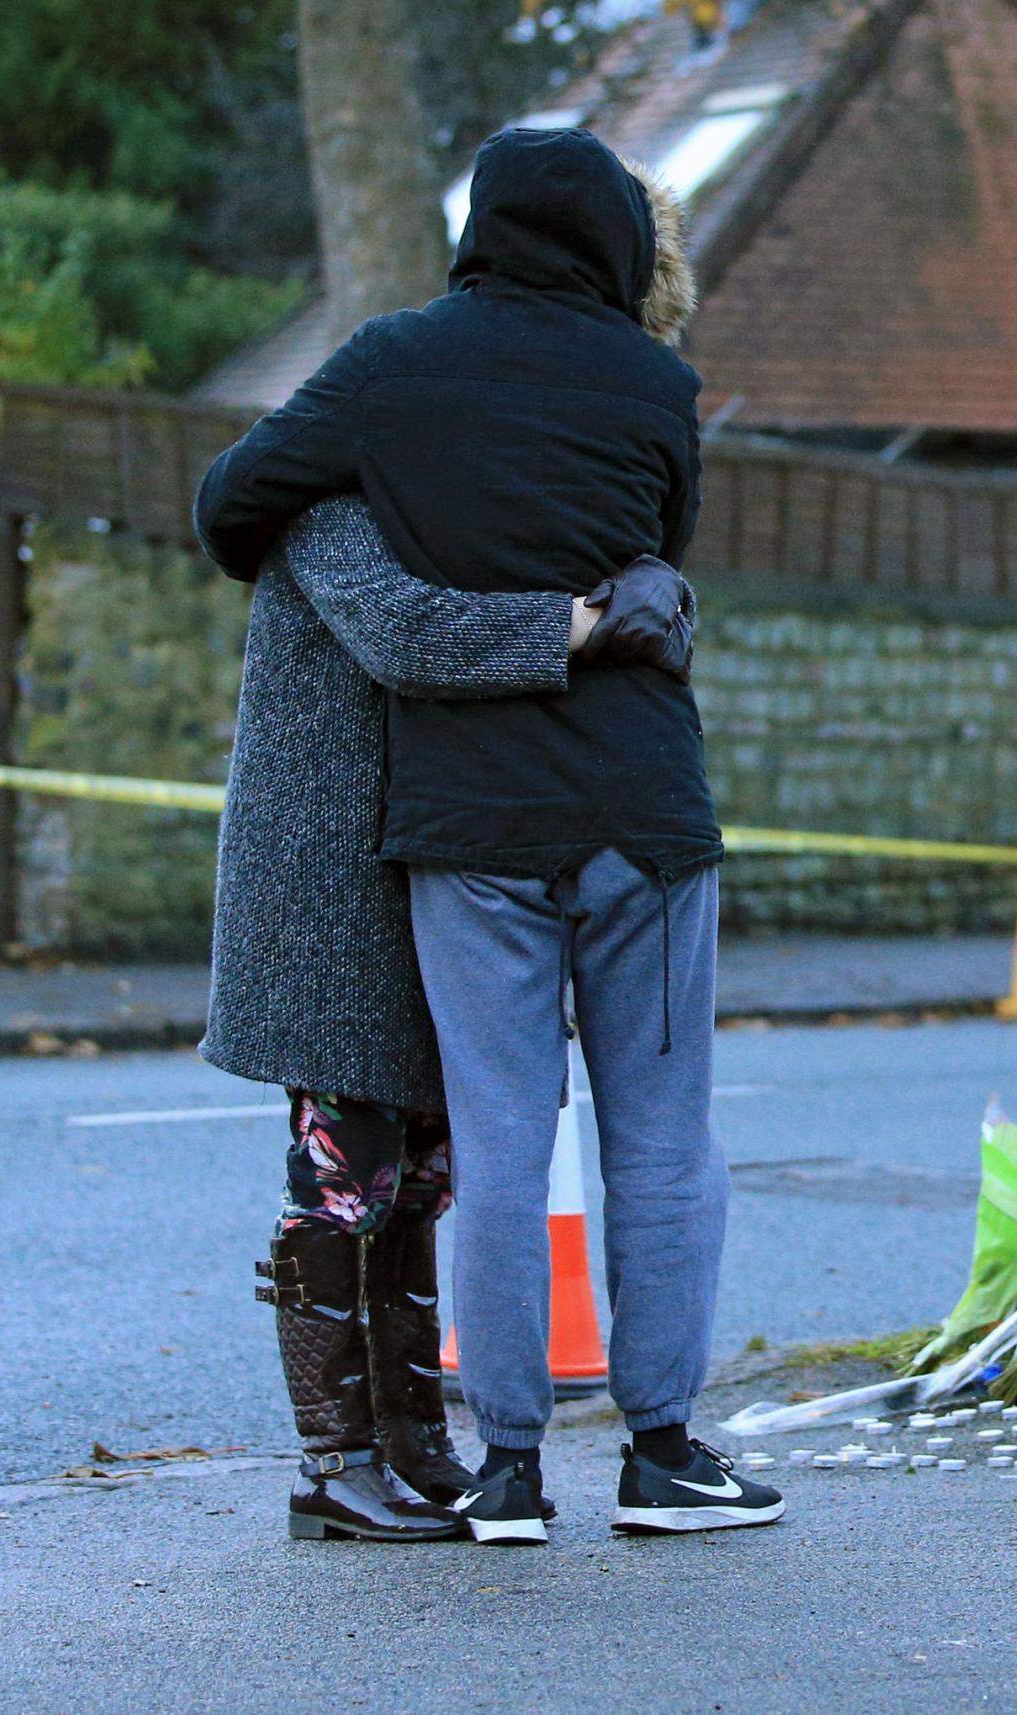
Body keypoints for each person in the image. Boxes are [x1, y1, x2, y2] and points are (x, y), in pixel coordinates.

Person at [195, 126, 780, 1546]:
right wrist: (595, 614)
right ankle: (656, 1451)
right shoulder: (657, 384)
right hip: (635, 808)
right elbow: (657, 557)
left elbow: (227, 502)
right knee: (657, 1142)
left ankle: (504, 1467)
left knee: (499, 1149)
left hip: (465, 824)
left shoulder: (392, 375)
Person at [207, 497, 695, 1542]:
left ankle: (417, 1443)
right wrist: (600, 620)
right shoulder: (331, 514)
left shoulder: (417, 493)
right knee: (342, 1173)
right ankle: (333, 1467)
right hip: (333, 893)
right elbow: (410, 636)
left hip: (438, 868)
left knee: (422, 1175)